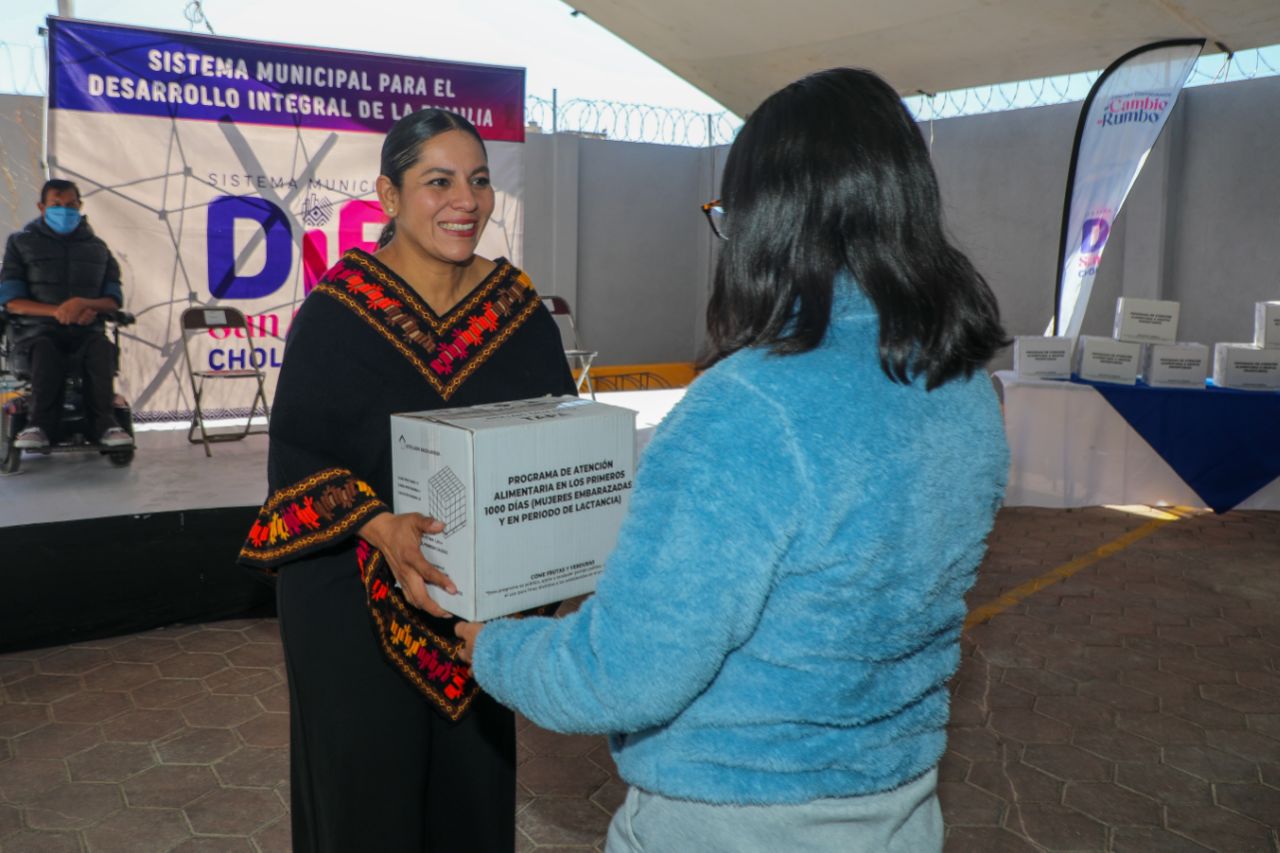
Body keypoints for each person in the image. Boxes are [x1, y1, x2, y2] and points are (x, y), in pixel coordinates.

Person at [457, 67, 1010, 852]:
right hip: (898, 809)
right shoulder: (963, 389)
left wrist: (492, 645)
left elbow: (623, 672)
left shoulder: (747, 410)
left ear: (770, 222)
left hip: (728, 820)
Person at [237, 109, 576, 852]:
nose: (467, 200)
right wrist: (382, 525)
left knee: (471, 795)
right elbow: (299, 458)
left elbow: (555, 446)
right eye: (439, 181)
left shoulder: (518, 311)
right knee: (364, 798)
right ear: (388, 198)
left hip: (475, 609)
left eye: (480, 180)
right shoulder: (337, 311)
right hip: (350, 604)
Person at [0, 179, 132, 450]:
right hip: (35, 332)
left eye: (71, 205)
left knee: (100, 348)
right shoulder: (20, 244)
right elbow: (11, 301)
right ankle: (38, 426)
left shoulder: (98, 249)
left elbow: (113, 299)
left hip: (86, 330)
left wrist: (84, 304)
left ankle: (106, 424)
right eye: (56, 205)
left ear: (80, 205)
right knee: (46, 348)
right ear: (41, 207)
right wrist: (60, 311)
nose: (65, 210)